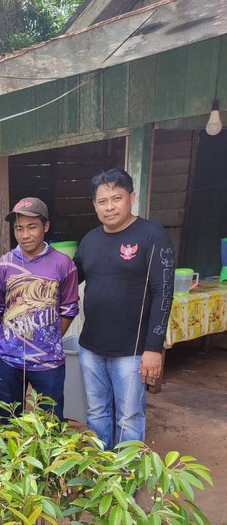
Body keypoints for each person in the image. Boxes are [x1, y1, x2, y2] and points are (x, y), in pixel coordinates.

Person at [74, 168, 174, 449]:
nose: (109, 207)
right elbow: (70, 277)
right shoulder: (90, 240)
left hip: (132, 351)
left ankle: (127, 480)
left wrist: (153, 349)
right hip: (91, 346)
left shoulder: (152, 236)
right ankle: (101, 474)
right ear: (94, 205)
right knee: (96, 413)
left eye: (116, 198)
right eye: (102, 201)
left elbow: (164, 295)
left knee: (130, 417)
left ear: (132, 197)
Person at [0, 197, 79, 423]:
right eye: (19, 228)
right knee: (9, 421)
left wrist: (49, 340)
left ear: (46, 227)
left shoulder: (63, 263)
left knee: (51, 422)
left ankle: (49, 459)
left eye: (32, 227)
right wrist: (16, 337)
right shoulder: (4, 265)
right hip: (8, 359)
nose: (25, 235)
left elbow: (68, 308)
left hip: (48, 361)